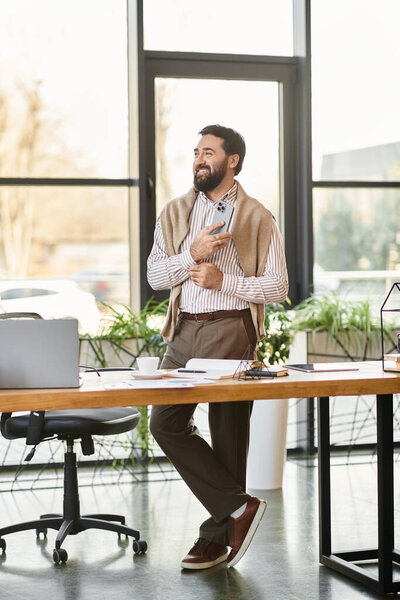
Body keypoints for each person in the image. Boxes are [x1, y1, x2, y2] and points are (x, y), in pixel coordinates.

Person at [147, 124, 288, 570]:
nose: (198, 159)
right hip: (184, 331)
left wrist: (224, 280)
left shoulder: (258, 216)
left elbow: (279, 285)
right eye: (195, 152)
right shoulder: (174, 213)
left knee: (229, 434)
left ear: (233, 161)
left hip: (232, 330)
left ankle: (214, 539)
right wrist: (193, 255)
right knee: (164, 422)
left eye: (208, 152)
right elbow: (154, 278)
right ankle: (239, 507)